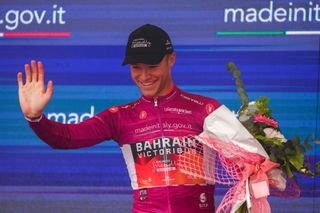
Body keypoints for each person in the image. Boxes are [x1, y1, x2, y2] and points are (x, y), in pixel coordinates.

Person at [17, 24, 221, 213]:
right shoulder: (120, 117)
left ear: (171, 59)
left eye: (152, 66)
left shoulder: (204, 108)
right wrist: (35, 118)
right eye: (136, 67)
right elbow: (65, 138)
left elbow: (249, 157)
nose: (144, 76)